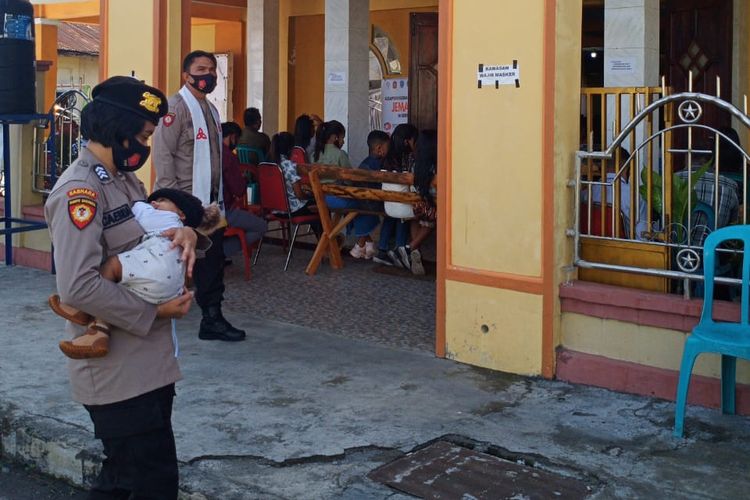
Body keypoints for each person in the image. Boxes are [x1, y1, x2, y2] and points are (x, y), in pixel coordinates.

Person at [44, 76, 204, 498]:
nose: (146, 145)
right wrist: (155, 313)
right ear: (118, 129)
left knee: (123, 482)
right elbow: (77, 286)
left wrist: (184, 233)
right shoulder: (82, 191)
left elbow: (147, 240)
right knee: (149, 483)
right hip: (116, 369)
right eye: (144, 135)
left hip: (147, 364)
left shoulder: (124, 182)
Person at [50, 189, 221, 359]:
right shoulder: (177, 225)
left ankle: (84, 309)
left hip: (156, 266)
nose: (153, 203)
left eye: (161, 200)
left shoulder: (160, 216)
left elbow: (135, 210)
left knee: (111, 267)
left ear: (181, 214)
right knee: (119, 290)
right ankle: (97, 327)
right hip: (169, 285)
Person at [152, 50, 246, 342]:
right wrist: (171, 202)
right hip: (184, 201)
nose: (208, 75)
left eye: (212, 70)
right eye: (201, 69)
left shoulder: (211, 110)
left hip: (209, 203)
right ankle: (153, 310)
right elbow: (164, 155)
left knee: (211, 259)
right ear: (186, 75)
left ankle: (212, 317)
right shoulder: (175, 109)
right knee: (171, 260)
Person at [221, 121, 267, 257]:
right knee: (261, 226)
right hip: (225, 211)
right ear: (232, 137)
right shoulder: (229, 157)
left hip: (206, 208)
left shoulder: (210, 152)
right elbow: (239, 190)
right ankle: (222, 252)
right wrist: (243, 179)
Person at [375, 123, 418, 267]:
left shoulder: (386, 158)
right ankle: (400, 250)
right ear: (407, 141)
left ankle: (382, 250)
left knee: (392, 215)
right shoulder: (410, 158)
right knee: (403, 215)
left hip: (388, 206)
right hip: (403, 208)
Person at [399, 129, 438, 275]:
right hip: (431, 207)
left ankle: (415, 254)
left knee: (415, 219)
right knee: (432, 217)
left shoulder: (416, 164)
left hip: (415, 206)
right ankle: (410, 248)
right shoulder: (437, 165)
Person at [349, 130, 390, 259]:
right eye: (387, 147)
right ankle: (368, 244)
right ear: (379, 149)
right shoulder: (381, 165)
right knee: (393, 211)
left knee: (359, 207)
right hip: (373, 203)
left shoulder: (364, 163)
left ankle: (362, 244)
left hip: (360, 201)